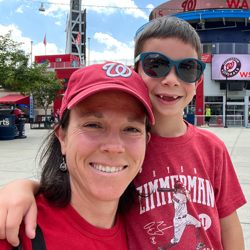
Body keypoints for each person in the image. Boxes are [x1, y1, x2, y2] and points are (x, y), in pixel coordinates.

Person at [0, 16, 246, 250]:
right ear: (136, 71)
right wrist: (23, 187)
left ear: (199, 79)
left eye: (188, 68)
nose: (171, 79)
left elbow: (229, 224)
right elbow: (79, 186)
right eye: (156, 65)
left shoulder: (212, 148)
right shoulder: (130, 153)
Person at [0, 61, 154, 249]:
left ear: (146, 142)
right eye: (93, 125)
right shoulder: (13, 230)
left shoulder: (149, 230)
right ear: (63, 137)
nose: (114, 147)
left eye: (131, 128)